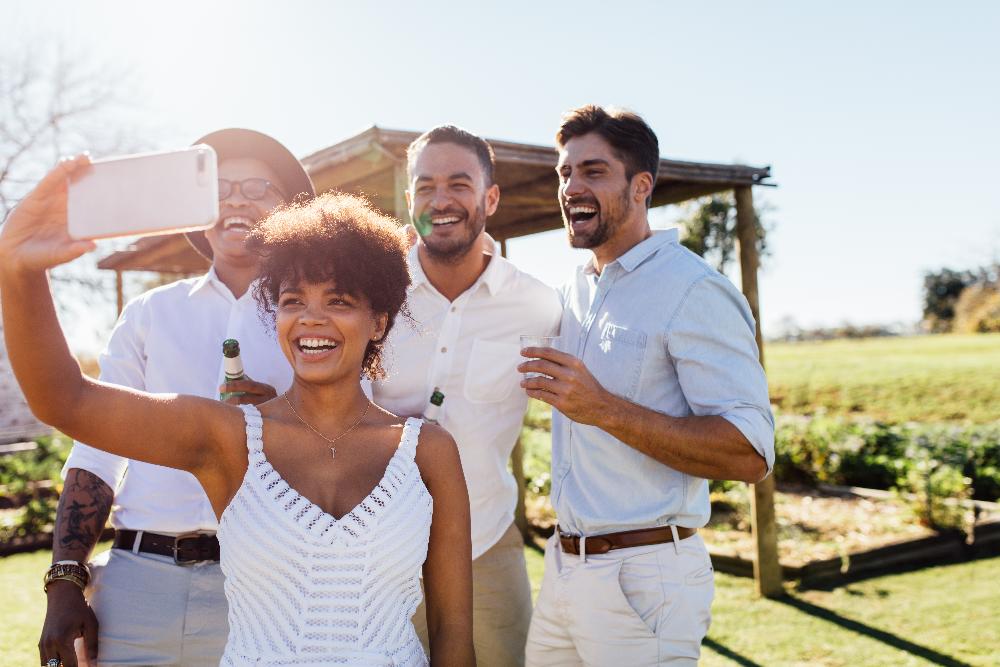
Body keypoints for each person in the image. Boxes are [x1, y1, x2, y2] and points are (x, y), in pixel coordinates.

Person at [3, 160, 475, 666]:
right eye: (294, 300)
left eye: (337, 300)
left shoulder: (428, 451)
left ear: (378, 320)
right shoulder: (228, 438)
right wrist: (19, 269)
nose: (311, 316)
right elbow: (64, 400)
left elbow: (451, 631)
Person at [36, 129, 315, 666]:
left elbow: (354, 446)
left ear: (292, 210)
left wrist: (280, 418)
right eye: (219, 187)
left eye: (259, 187)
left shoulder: (319, 319)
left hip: (270, 584)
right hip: (140, 588)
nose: (236, 199)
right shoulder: (149, 314)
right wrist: (65, 581)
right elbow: (96, 450)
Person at [520, 105, 775, 666]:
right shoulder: (572, 293)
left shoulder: (693, 290)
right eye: (564, 173)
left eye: (593, 171)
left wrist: (604, 409)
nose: (571, 187)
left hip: (644, 579)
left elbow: (751, 453)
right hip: (562, 571)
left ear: (641, 187)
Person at [373, 125, 561, 666]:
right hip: (376, 551)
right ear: (410, 200)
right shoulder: (371, 296)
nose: (442, 200)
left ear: (490, 197)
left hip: (487, 547)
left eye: (459, 183)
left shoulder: (538, 307)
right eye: (426, 186)